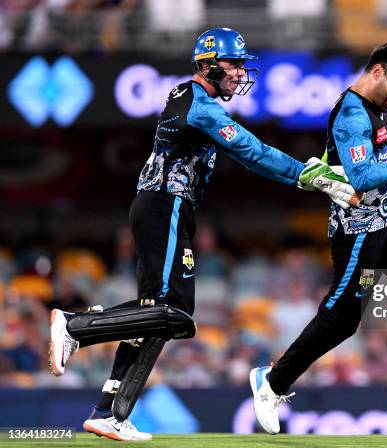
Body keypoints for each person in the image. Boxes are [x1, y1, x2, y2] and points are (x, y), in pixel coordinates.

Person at [48, 27, 356, 441]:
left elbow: (252, 159)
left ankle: (111, 412)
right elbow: (251, 150)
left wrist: (306, 176)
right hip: (166, 204)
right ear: (208, 64)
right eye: (233, 64)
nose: (239, 73)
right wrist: (306, 175)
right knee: (175, 311)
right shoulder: (200, 105)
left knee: (153, 314)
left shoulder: (194, 100)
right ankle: (75, 326)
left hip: (163, 206)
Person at [250, 41, 387, 435]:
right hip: (360, 239)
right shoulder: (352, 113)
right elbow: (361, 176)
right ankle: (272, 381)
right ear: (379, 71)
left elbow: (373, 172)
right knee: (340, 321)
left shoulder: (377, 108)